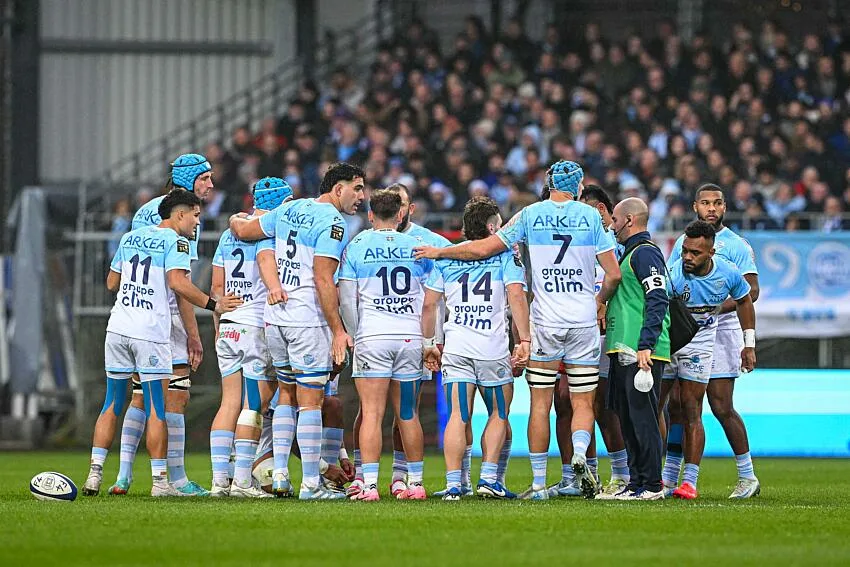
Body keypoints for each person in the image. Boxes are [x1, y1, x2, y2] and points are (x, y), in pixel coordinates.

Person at [415, 161, 622, 500]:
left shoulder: (529, 215)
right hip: (583, 319)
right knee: (583, 402)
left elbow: (482, 248)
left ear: (549, 182)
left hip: (545, 321)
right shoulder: (591, 218)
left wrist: (441, 251)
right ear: (579, 186)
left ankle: (539, 483)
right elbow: (613, 275)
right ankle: (581, 454)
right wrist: (599, 301)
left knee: (540, 404)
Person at [83, 190, 241, 496]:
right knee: (157, 407)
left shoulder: (131, 238)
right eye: (195, 215)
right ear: (180, 214)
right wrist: (214, 305)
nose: (198, 222)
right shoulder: (177, 242)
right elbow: (178, 283)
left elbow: (111, 283)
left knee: (112, 403)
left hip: (117, 328)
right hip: (149, 332)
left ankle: (94, 475)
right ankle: (159, 483)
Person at [229, 162, 364, 500]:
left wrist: (235, 218)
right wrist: (337, 330)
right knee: (311, 401)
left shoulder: (290, 208)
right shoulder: (333, 223)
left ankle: (281, 477)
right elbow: (322, 278)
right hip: (306, 319)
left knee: (286, 396)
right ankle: (311, 485)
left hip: (276, 318)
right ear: (337, 189)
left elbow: (245, 231)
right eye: (357, 188)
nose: (362, 196)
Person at [108, 153, 215, 496]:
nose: (210, 185)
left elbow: (120, 274)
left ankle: (122, 476)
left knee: (139, 396)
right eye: (205, 178)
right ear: (187, 182)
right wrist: (194, 334)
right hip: (163, 316)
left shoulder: (147, 210)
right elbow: (179, 285)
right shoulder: (183, 219)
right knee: (176, 396)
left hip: (132, 312)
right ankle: (177, 480)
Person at [347, 182, 455, 499]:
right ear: (400, 214)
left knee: (371, 414)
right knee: (407, 413)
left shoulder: (357, 245)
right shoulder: (419, 248)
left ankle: (368, 486)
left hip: (373, 336)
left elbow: (346, 299)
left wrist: (354, 336)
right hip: (409, 337)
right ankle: (416, 484)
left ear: (370, 215)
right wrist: (428, 342)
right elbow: (431, 302)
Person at [421, 196, 530, 500]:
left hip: (456, 346)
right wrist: (525, 340)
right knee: (498, 413)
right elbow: (517, 298)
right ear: (492, 226)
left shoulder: (446, 257)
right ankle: (489, 480)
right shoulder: (506, 255)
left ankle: (455, 484)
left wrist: (429, 344)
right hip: (491, 348)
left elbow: (430, 304)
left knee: (459, 415)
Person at [666, 184, 762, 499]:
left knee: (721, 405)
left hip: (721, 330)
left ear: (724, 207)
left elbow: (751, 293)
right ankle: (670, 478)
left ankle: (747, 476)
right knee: (677, 405)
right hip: (686, 328)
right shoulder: (684, 241)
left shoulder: (737, 245)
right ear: (695, 207)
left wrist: (714, 306)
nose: (711, 208)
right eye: (705, 203)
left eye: (717, 203)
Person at [208, 177, 293, 497]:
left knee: (228, 402)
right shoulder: (269, 233)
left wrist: (219, 321)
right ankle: (243, 481)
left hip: (228, 323)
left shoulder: (229, 235)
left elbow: (217, 288)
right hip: (255, 325)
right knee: (253, 404)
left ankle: (219, 481)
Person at [603, 197, 670, 501]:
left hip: (640, 351)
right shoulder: (632, 254)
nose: (612, 226)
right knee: (627, 416)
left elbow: (658, 298)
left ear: (629, 220)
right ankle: (637, 482)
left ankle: (653, 484)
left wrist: (647, 343)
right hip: (622, 348)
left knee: (642, 417)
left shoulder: (644, 254)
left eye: (615, 220)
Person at [579, 185, 631, 497]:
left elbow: (623, 284)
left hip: (613, 332)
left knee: (613, 406)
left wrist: (603, 303)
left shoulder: (617, 245)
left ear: (599, 210)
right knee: (593, 404)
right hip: (587, 333)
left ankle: (626, 473)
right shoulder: (583, 243)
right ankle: (597, 474)